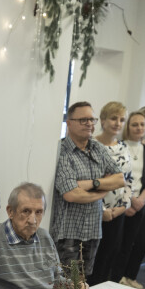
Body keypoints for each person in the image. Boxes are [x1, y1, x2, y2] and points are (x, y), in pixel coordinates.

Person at [50, 101, 124, 276]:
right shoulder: (63, 151)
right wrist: (101, 193)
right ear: (69, 123)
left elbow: (119, 179)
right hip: (68, 232)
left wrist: (93, 184)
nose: (89, 124)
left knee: (83, 281)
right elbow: (71, 194)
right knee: (65, 283)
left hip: (93, 229)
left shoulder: (98, 148)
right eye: (83, 120)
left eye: (92, 119)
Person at [87, 101, 133, 286]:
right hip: (94, 212)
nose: (118, 123)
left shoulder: (124, 147)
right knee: (93, 261)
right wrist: (103, 210)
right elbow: (88, 182)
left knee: (110, 258)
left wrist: (122, 207)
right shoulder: (91, 145)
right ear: (103, 120)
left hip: (117, 213)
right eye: (114, 118)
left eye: (122, 120)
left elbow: (128, 180)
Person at [116, 109, 145, 287]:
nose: (140, 128)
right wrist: (130, 200)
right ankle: (117, 277)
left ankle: (130, 277)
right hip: (122, 202)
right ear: (127, 126)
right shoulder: (119, 146)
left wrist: (141, 200)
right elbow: (117, 177)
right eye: (135, 124)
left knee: (141, 242)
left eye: (143, 124)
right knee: (122, 244)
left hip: (141, 202)